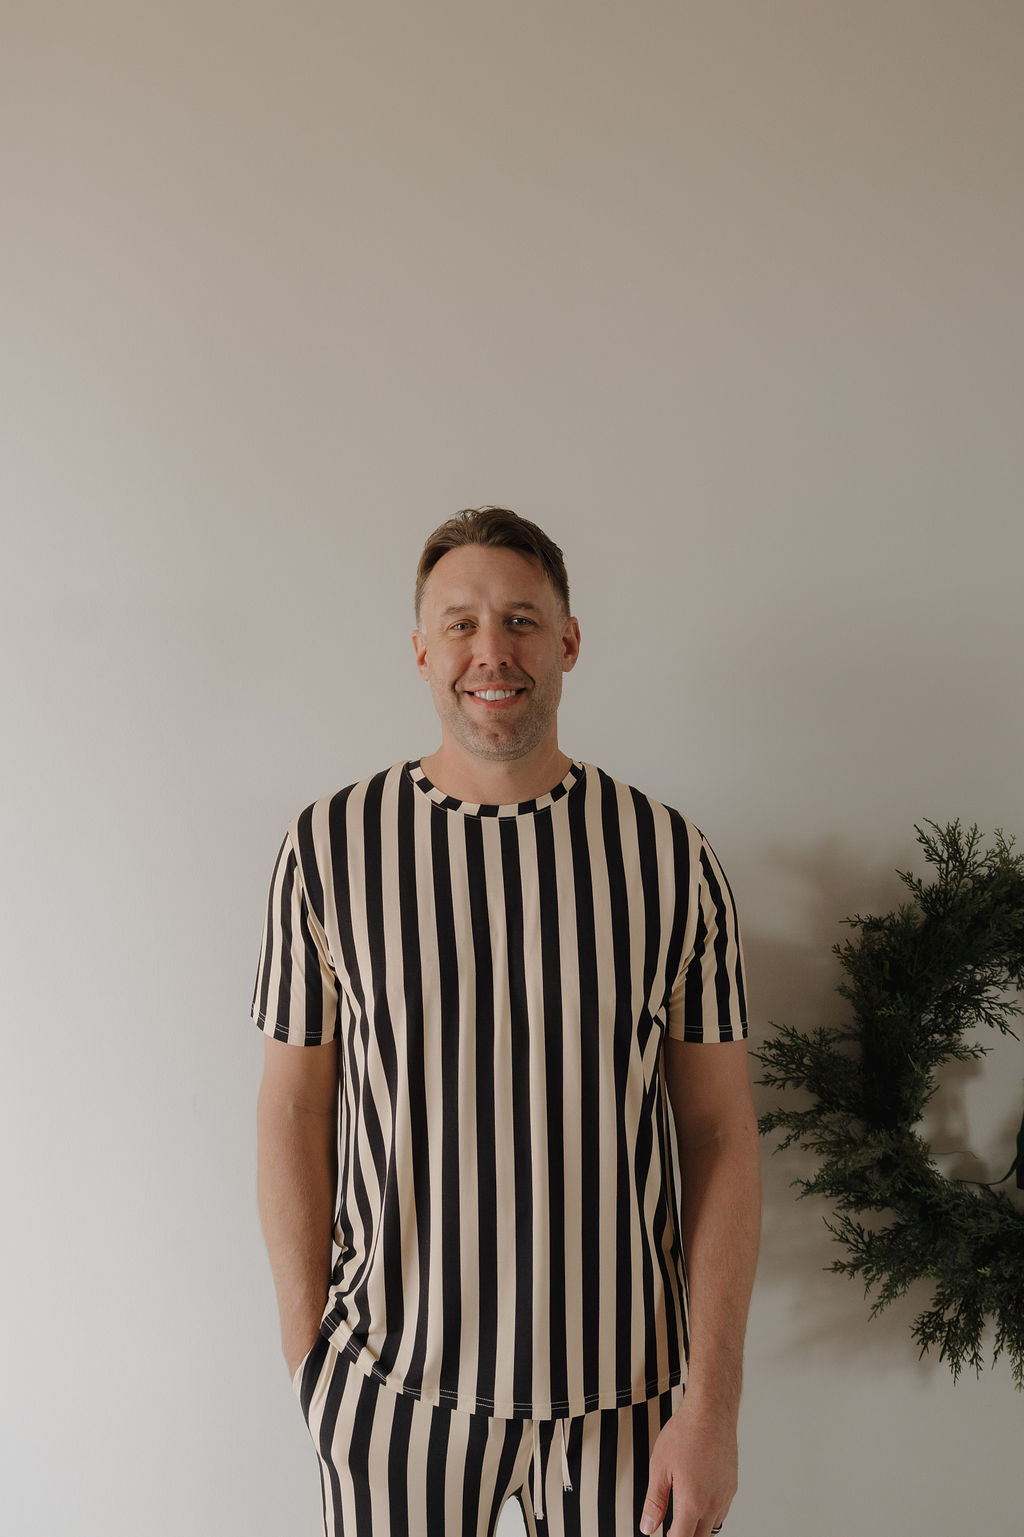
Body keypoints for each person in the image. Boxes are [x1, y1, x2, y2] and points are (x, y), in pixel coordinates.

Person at [249, 506, 761, 1537]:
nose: (494, 651)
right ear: (421, 649)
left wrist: (710, 1407)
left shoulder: (668, 857)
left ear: (567, 640)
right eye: (463, 622)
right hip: (392, 1393)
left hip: (629, 1398)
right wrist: (315, 1367)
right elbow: (294, 1107)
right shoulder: (330, 848)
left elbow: (717, 1133)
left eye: (522, 620)